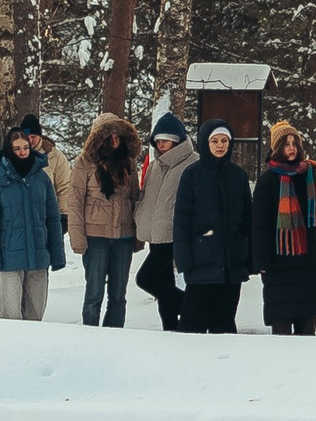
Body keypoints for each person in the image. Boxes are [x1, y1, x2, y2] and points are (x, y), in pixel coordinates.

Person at [250, 121, 316, 336]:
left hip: (309, 263)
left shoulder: (311, 174)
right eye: (286, 144)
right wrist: (261, 261)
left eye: (294, 143)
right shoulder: (267, 181)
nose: (291, 149)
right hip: (279, 264)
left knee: (307, 330)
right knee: (281, 330)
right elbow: (259, 225)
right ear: (276, 148)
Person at [64, 113, 143, 328]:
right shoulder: (84, 162)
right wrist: (78, 238)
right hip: (96, 237)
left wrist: (139, 234)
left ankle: (114, 337)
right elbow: (75, 202)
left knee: (118, 296)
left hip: (123, 236)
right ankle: (91, 337)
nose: (115, 140)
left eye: (119, 135)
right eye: (109, 136)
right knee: (94, 295)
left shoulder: (128, 161)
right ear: (99, 138)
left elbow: (135, 198)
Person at [174, 121, 253, 333]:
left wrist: (249, 258)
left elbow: (248, 219)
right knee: (192, 328)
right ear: (205, 143)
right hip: (200, 263)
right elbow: (181, 221)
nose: (220, 145)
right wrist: (184, 260)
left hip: (231, 267)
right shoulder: (192, 175)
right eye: (215, 141)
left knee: (224, 326)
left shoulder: (238, 175)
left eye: (224, 141)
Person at [0, 128, 66, 321]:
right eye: (17, 148)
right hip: (8, 258)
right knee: (10, 318)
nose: (22, 152)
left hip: (38, 256)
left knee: (35, 316)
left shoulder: (42, 179)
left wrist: (57, 255)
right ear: (10, 150)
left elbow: (52, 219)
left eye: (25, 147)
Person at [133, 114, 195, 330]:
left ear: (177, 140)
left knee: (145, 278)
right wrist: (140, 215)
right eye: (158, 141)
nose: (161, 145)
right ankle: (170, 329)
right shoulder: (154, 166)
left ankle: (193, 309)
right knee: (164, 284)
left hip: (173, 234)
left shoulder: (192, 162)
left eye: (165, 140)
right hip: (155, 233)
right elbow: (146, 196)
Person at [18, 114, 74, 226]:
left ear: (40, 136)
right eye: (26, 137)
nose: (30, 141)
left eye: (33, 137)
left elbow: (65, 188)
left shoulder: (55, 157)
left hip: (48, 218)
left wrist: (65, 215)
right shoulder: (14, 156)